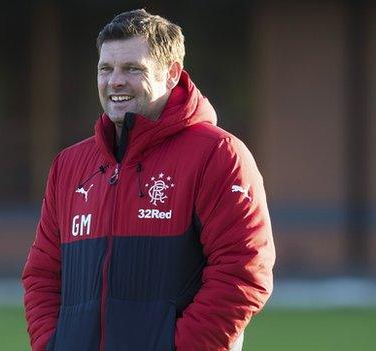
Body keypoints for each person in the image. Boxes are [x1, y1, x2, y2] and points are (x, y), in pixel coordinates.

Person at [22, 9, 275, 351]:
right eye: (105, 69)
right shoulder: (69, 165)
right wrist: (51, 344)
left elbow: (243, 270)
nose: (115, 81)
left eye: (132, 69)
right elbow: (42, 275)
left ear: (171, 74)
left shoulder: (218, 154)